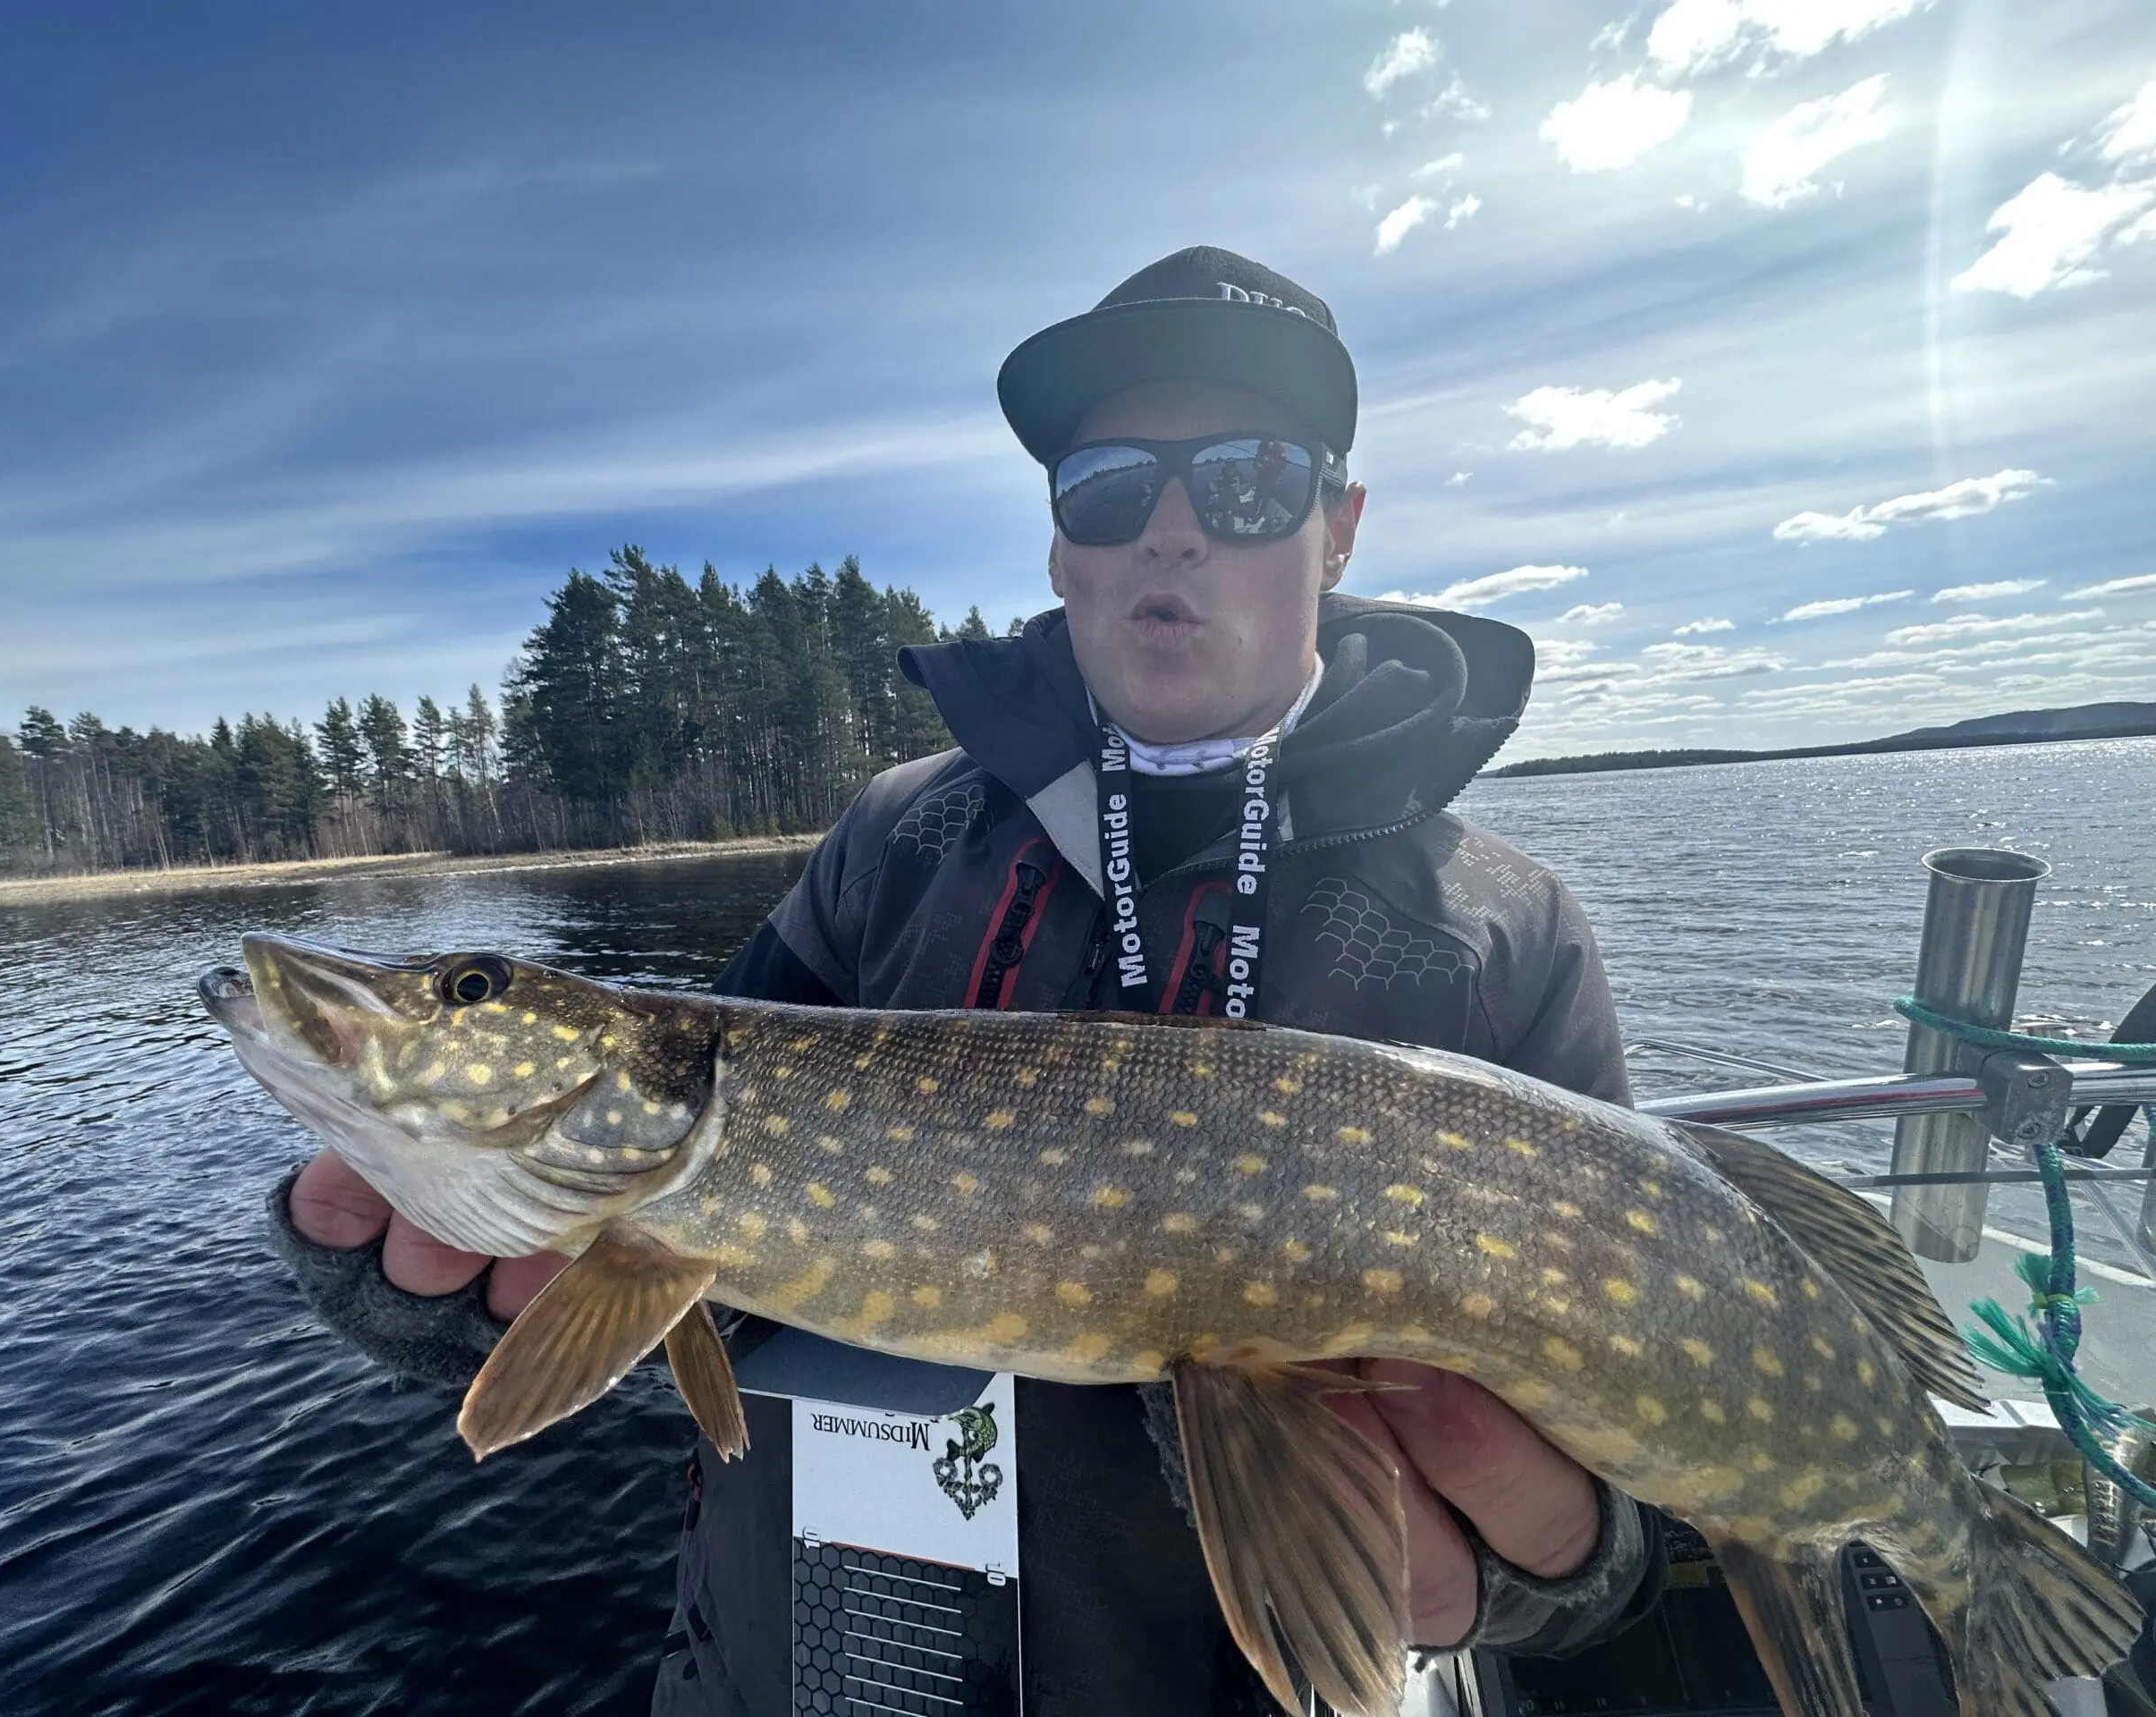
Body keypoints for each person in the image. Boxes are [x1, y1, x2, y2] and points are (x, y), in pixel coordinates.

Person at [271, 246, 1669, 1714]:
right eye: (1109, 488)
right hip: (799, 1666)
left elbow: (1631, 1498)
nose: (1171, 533)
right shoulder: (897, 838)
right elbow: (702, 1236)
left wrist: (1551, 1570)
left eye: (1248, 482)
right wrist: (478, 1297)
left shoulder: (1501, 934)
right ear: (1064, 548)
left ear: (1338, 529)